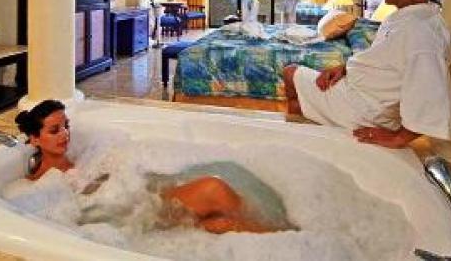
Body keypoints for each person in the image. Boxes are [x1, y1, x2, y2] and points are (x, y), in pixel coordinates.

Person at [15, 100, 293, 234]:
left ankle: (279, 238)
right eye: (54, 130)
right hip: (128, 216)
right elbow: (72, 214)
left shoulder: (82, 157)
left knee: (223, 223)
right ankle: (286, 235)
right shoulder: (45, 183)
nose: (65, 134)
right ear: (35, 139)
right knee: (213, 187)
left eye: (66, 126)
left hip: (135, 198)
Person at [283, 0, 451, 148]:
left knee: (290, 73)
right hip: (360, 94)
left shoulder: (422, 32)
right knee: (300, 90)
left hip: (363, 109)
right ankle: (317, 138)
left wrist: (399, 138)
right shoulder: (408, 17)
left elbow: (430, 90)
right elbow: (383, 60)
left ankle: (306, 143)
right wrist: (345, 68)